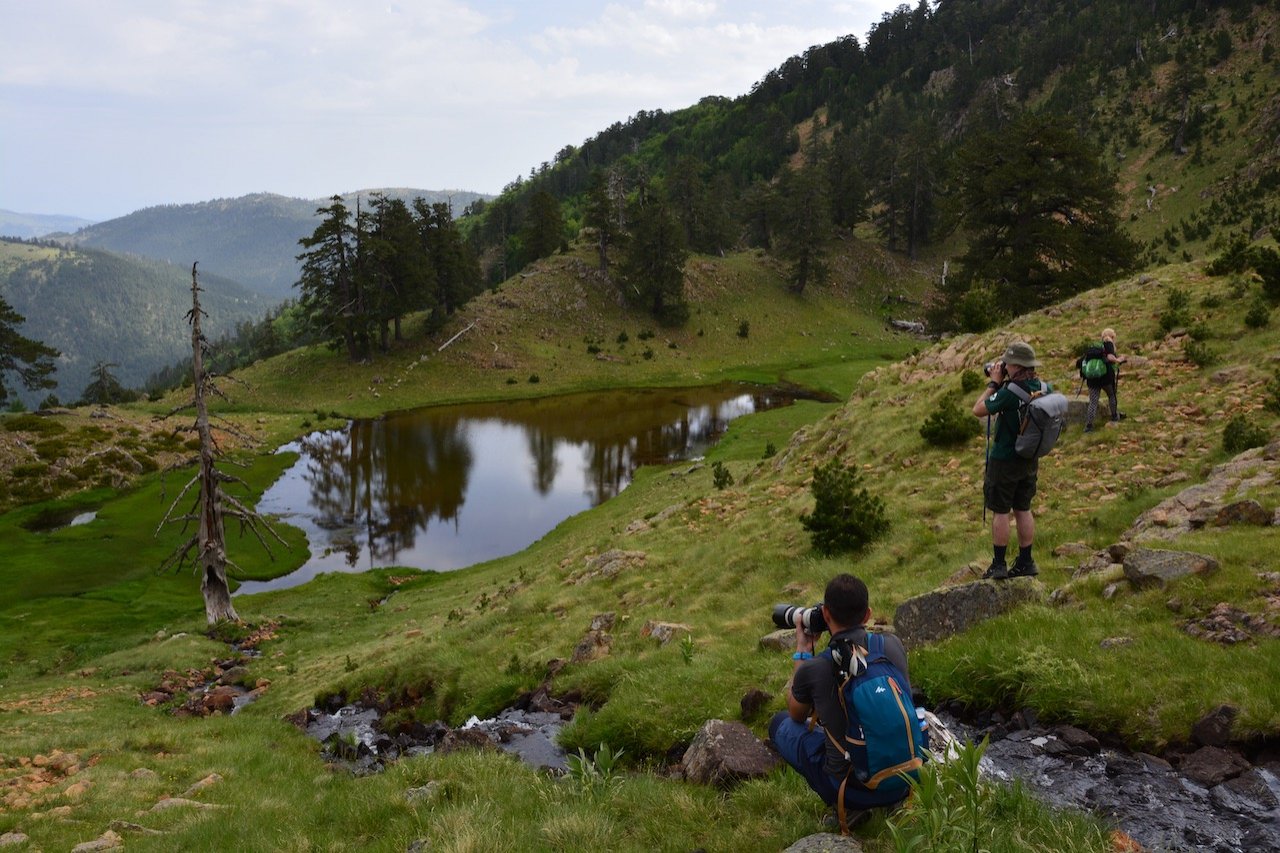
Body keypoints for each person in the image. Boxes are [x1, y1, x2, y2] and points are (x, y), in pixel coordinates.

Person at [768, 574, 915, 827]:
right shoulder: (891, 645)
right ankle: (891, 795)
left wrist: (803, 651)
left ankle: (849, 808)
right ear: (867, 614)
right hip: (906, 778)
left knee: (780, 724)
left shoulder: (815, 668)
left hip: (851, 790)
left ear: (825, 615)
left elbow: (796, 713)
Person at [971, 341, 1044, 580]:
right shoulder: (1043, 387)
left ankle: (999, 564)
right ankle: (1026, 561)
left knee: (1001, 511)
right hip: (1029, 458)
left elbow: (979, 409)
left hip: (1005, 459)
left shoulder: (1009, 393)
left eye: (1007, 364)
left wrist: (993, 383)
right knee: (1023, 508)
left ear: (1016, 365)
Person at [1084, 327, 1127, 433]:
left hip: (1092, 379)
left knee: (1093, 402)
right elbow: (1111, 357)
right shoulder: (1109, 343)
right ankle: (1114, 416)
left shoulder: (1094, 347)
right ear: (1113, 336)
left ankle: (1089, 426)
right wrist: (1119, 359)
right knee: (1111, 395)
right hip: (1105, 378)